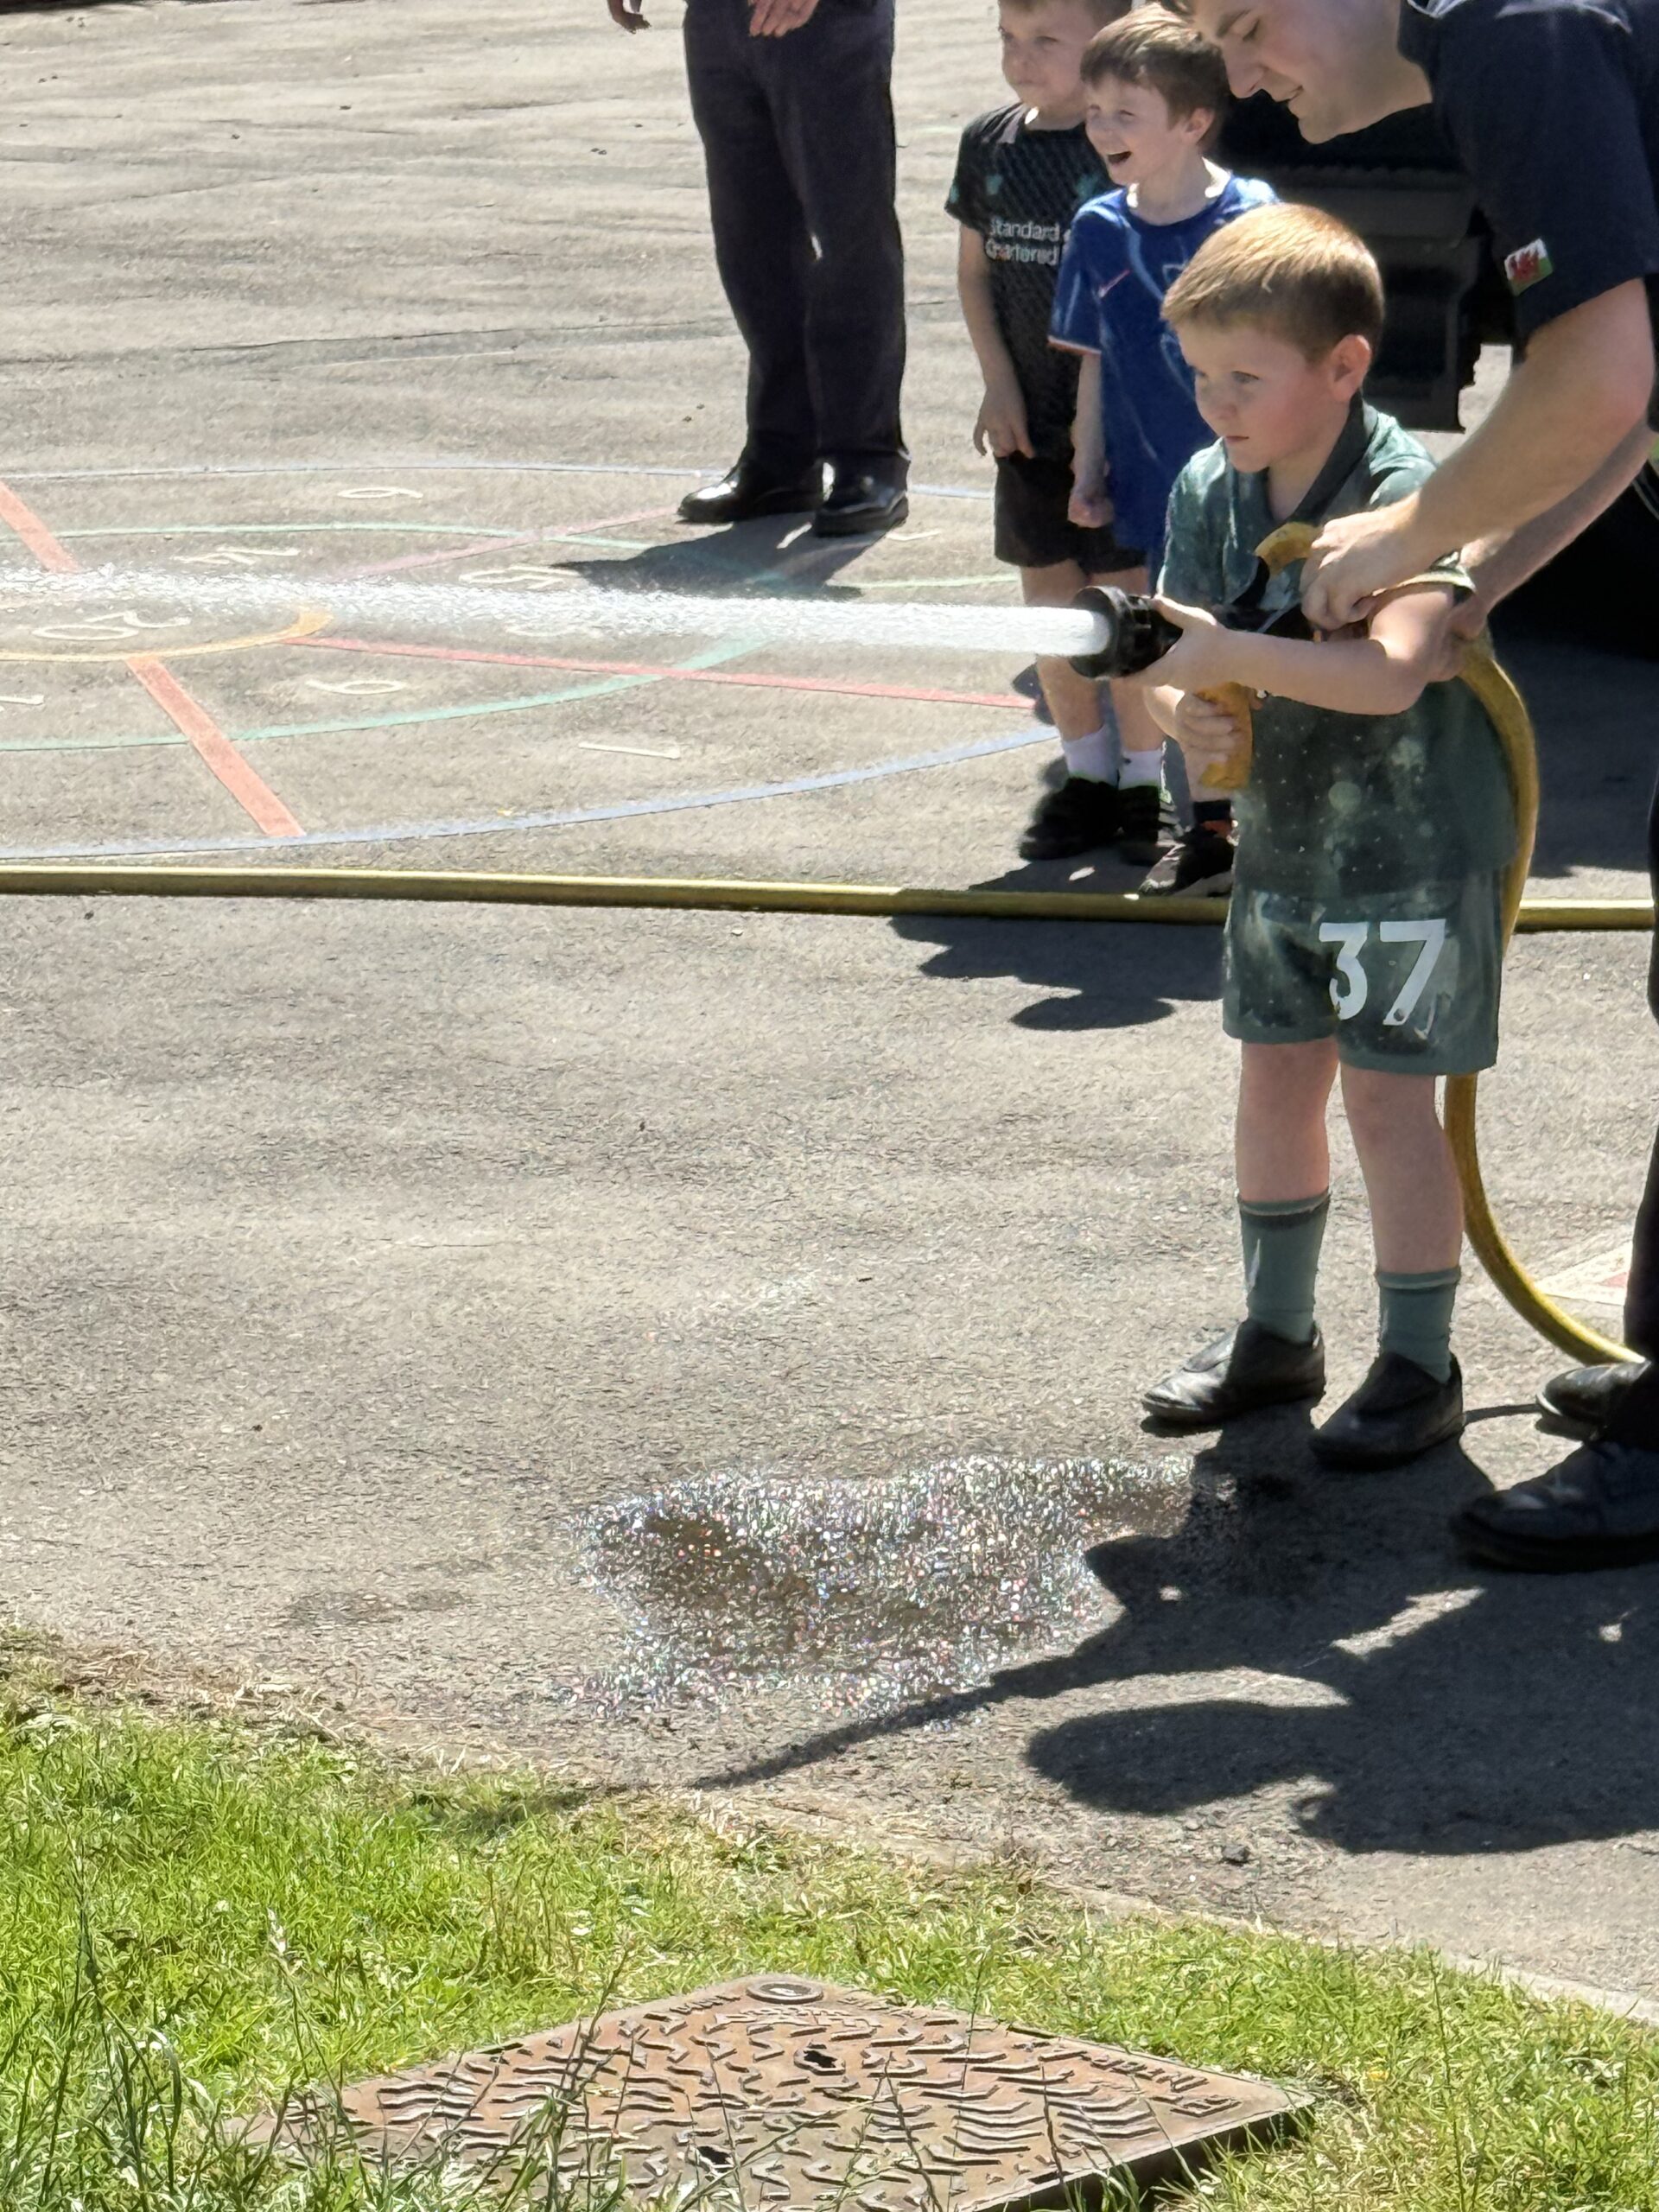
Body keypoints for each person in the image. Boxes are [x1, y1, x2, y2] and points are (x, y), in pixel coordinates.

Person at [1175, 0, 1659, 1565]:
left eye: (1248, 23)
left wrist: (1414, 531)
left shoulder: (1521, 36)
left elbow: (1594, 376)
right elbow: (1631, 402)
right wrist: (1475, 577)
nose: (1241, 75)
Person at [1135, 204, 1517, 1467]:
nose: (1216, 404)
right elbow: (1176, 659)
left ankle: (1419, 1362)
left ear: (1345, 366)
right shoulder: (1210, 486)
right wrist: (1185, 710)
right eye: (1199, 374)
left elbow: (1396, 671)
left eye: (1244, 378)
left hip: (1412, 860)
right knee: (1274, 1085)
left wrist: (1229, 660)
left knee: (1389, 1106)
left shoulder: (1405, 494)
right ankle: (1276, 1333)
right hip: (1286, 851)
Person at [1048, 10, 1274, 888]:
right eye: (1094, 111)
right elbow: (1095, 362)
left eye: (1126, 113)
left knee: (1263, 648)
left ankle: (1279, 821)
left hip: (1251, 480)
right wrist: (1086, 469)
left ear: (1193, 121)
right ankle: (1211, 825)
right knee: (1176, 653)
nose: (1103, 129)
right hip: (1153, 487)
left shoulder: (1251, 218)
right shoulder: (1098, 228)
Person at [607, 0, 908, 537]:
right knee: (751, 242)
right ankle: (782, 458)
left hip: (825, 20)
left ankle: (868, 461)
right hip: (718, 18)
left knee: (850, 236)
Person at [948, 0, 1130, 862]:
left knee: (1127, 609)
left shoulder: (1120, 147)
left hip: (1120, 424)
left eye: (1046, 41)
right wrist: (997, 384)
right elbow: (975, 275)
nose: (1022, 58)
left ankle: (1143, 781)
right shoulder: (991, 144)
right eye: (1009, 39)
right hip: (1030, 422)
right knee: (1053, 612)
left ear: (1107, 44)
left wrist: (1105, 425)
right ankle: (1086, 776)